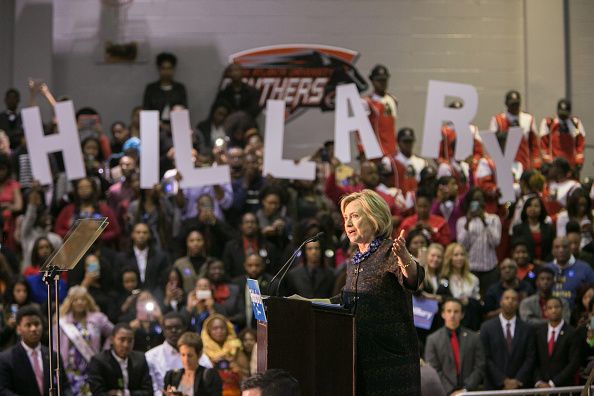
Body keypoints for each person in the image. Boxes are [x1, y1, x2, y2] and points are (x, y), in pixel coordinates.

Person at [337, 189, 424, 395]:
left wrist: (404, 257)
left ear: (374, 218)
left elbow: (414, 279)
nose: (348, 223)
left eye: (355, 216)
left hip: (392, 368)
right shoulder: (354, 262)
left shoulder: (390, 252)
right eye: (346, 217)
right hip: (361, 364)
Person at [0, 305, 72, 396]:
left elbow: (65, 387)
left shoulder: (53, 356)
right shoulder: (6, 359)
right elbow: (3, 390)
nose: (33, 329)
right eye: (28, 325)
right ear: (18, 329)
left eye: (37, 324)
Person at [58, 286, 114, 395]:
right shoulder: (62, 321)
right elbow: (56, 346)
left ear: (87, 301)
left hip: (91, 369)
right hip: (70, 372)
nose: (80, 302)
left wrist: (105, 352)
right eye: (76, 300)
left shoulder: (97, 318)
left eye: (83, 299)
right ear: (70, 302)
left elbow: (113, 333)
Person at [424, 298, 485, 395]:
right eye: (449, 311)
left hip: (469, 392)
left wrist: (465, 390)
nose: (452, 315)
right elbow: (433, 370)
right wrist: (451, 391)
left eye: (456, 311)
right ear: (443, 314)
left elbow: (480, 366)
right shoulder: (432, 340)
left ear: (462, 315)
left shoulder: (474, 338)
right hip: (443, 392)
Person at [480, 289, 535, 390]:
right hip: (494, 387)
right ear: (501, 302)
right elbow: (485, 357)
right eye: (507, 298)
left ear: (518, 303)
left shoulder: (527, 329)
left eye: (514, 299)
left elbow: (530, 358)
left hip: (520, 387)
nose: (510, 301)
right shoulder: (486, 327)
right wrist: (503, 380)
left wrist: (517, 380)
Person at [146, 312, 212, 396]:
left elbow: (210, 384)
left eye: (177, 327)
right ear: (163, 329)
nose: (173, 331)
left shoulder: (199, 356)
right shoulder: (150, 357)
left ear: (185, 328)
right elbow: (152, 389)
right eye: (169, 328)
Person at [456, 188, 501, 294]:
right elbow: (461, 246)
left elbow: (495, 242)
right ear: (469, 202)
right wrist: (467, 223)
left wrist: (484, 221)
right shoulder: (462, 222)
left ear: (483, 202)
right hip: (470, 269)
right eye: (474, 200)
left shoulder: (493, 219)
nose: (477, 203)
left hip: (490, 268)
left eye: (479, 199)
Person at [88, 322, 153, 394]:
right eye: (122, 340)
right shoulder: (99, 361)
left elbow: (149, 392)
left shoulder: (140, 359)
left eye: (130, 341)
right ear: (112, 339)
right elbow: (98, 393)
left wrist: (123, 393)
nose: (126, 345)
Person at [534, 297, 580, 388]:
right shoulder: (539, 332)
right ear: (545, 311)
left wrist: (552, 384)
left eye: (556, 307)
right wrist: (539, 382)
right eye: (550, 308)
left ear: (562, 309)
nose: (554, 310)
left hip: (563, 388)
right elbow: (534, 360)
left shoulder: (572, 332)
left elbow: (574, 363)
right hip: (541, 388)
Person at [489, 90, 539, 170]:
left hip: (524, 164)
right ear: (506, 104)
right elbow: (492, 145)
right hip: (505, 165)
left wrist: (535, 164)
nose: (515, 107)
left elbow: (534, 145)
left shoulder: (528, 119)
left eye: (517, 104)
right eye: (512, 104)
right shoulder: (497, 120)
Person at [201, 314, 250, 396]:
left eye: (222, 328)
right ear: (208, 331)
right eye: (215, 328)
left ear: (228, 329)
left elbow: (248, 376)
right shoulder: (203, 352)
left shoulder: (236, 348)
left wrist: (238, 370)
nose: (219, 331)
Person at [163, 332, 222, 396]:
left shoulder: (209, 376)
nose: (186, 360)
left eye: (190, 355)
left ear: (199, 355)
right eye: (183, 355)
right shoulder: (171, 376)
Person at [223, 213, 280, 279]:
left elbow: (274, 270)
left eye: (253, 222)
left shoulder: (269, 247)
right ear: (241, 226)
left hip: (263, 285)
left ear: (258, 225)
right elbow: (227, 270)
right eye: (246, 222)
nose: (250, 225)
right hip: (239, 285)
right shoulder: (231, 247)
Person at [440, 243, 481, 330]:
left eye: (462, 255)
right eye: (456, 255)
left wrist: (468, 301)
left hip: (470, 322)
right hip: (450, 323)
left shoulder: (473, 279)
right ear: (450, 258)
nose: (460, 258)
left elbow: (478, 303)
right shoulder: (444, 279)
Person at [119, 222, 170, 292]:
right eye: (138, 232)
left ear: (149, 235)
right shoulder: (122, 258)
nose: (141, 235)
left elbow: (163, 281)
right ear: (132, 235)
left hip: (154, 297)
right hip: (129, 297)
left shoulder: (161, 257)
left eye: (145, 232)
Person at [545, 236, 594, 306]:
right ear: (552, 250)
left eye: (564, 247)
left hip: (577, 314)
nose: (561, 250)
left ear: (570, 249)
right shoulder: (546, 269)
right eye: (557, 247)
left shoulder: (585, 268)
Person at [540, 99, 586, 173]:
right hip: (554, 165)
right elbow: (543, 144)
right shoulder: (549, 123)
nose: (563, 116)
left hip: (571, 165)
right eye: (561, 114)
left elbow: (580, 144)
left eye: (565, 114)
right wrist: (547, 161)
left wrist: (579, 161)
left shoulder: (576, 123)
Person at [363, 64, 398, 157]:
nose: (382, 83)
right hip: (376, 152)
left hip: (392, 151)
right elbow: (362, 130)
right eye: (379, 80)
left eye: (384, 80)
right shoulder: (367, 102)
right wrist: (363, 151)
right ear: (372, 81)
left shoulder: (393, 99)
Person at [143, 52, 188, 123]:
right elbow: (146, 110)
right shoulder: (151, 89)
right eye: (163, 68)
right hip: (154, 125)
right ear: (159, 69)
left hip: (176, 125)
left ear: (173, 69)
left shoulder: (179, 88)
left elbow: (184, 110)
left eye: (169, 68)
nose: (166, 72)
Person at [511, 195, 555, 265]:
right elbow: (516, 250)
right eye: (530, 206)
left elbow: (552, 249)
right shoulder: (518, 229)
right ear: (525, 209)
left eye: (536, 206)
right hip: (525, 264)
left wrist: (545, 263)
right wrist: (533, 261)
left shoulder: (549, 228)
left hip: (546, 264)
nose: (533, 208)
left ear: (541, 209)